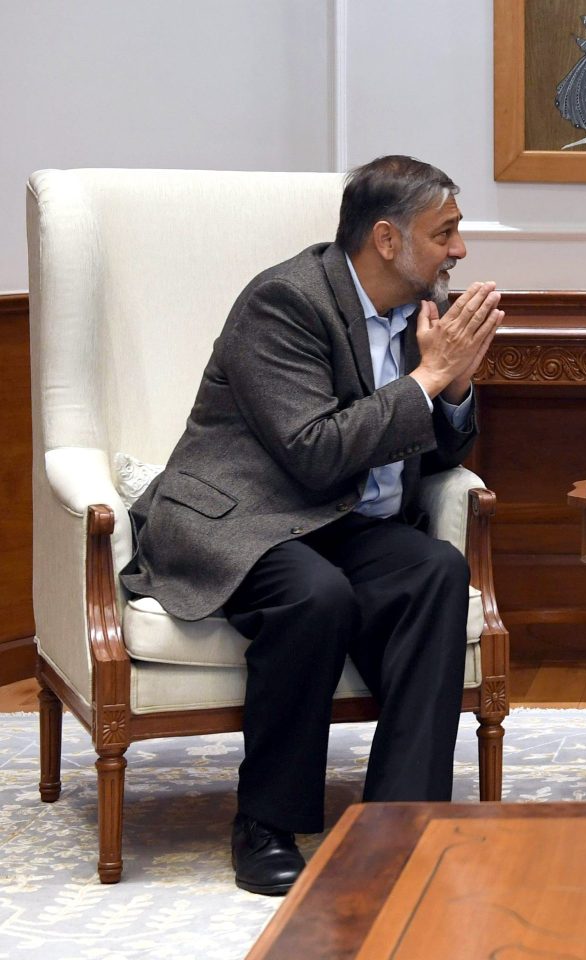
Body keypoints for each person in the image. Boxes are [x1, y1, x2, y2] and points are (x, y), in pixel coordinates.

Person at [121, 155, 504, 895]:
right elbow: (315, 452)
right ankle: (264, 823)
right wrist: (427, 378)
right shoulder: (284, 303)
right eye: (446, 233)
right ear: (387, 240)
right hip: (248, 516)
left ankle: (401, 821)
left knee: (436, 572)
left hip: (342, 520)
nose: (460, 250)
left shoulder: (417, 313)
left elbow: (438, 447)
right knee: (314, 596)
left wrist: (453, 387)